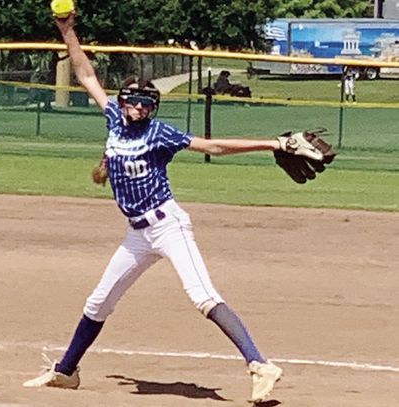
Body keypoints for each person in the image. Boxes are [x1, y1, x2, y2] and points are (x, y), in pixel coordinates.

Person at [22, 12, 284, 403]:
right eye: (135, 100)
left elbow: (211, 147)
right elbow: (86, 74)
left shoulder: (159, 133)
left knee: (202, 295)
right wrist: (67, 30)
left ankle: (260, 365)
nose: (140, 108)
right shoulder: (113, 118)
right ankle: (66, 371)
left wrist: (272, 144)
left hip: (168, 225)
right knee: (99, 301)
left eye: (148, 103)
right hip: (137, 235)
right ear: (124, 101)